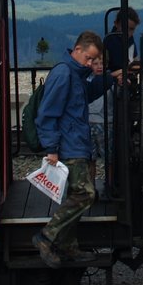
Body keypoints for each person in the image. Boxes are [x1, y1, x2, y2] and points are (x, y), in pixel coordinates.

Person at [31, 31, 102, 268]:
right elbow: (47, 113)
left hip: (76, 145)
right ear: (77, 50)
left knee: (77, 195)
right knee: (85, 194)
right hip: (69, 147)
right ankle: (46, 237)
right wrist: (51, 148)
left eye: (95, 60)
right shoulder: (64, 73)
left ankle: (68, 246)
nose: (91, 63)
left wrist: (110, 78)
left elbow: (83, 98)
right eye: (89, 58)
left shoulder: (76, 74)